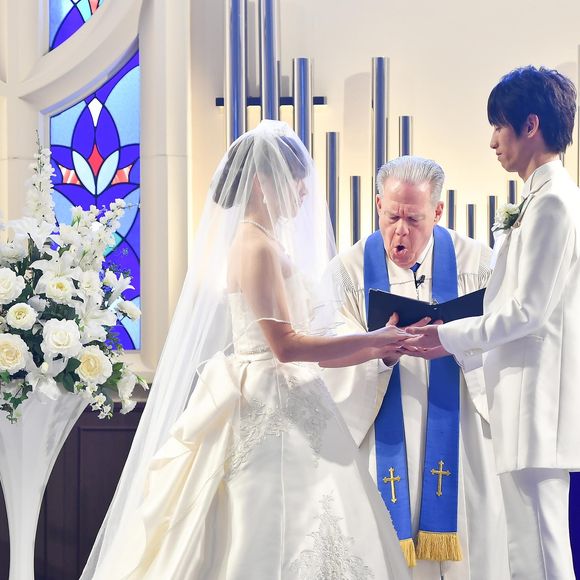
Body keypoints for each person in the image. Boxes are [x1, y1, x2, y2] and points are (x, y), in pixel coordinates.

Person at [80, 120, 411, 579]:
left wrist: (376, 345)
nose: (303, 192)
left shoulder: (266, 242)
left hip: (286, 386)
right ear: (261, 182)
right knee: (264, 513)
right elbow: (285, 346)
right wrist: (372, 342)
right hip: (267, 393)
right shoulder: (255, 246)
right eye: (295, 180)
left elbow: (306, 344)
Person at [406, 66, 580, 579]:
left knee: (542, 553)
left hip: (537, 404)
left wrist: (446, 336)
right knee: (526, 553)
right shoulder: (539, 198)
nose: (492, 141)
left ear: (531, 125)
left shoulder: (553, 203)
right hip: (521, 402)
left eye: (499, 126)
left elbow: (527, 312)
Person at [323, 155, 510, 579]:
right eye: (392, 217)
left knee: (471, 541)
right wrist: (379, 354)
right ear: (378, 204)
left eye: (414, 218)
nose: (400, 231)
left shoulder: (478, 264)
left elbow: (504, 341)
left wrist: (458, 340)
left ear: (438, 211)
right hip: (384, 430)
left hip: (460, 429)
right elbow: (329, 354)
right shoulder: (347, 273)